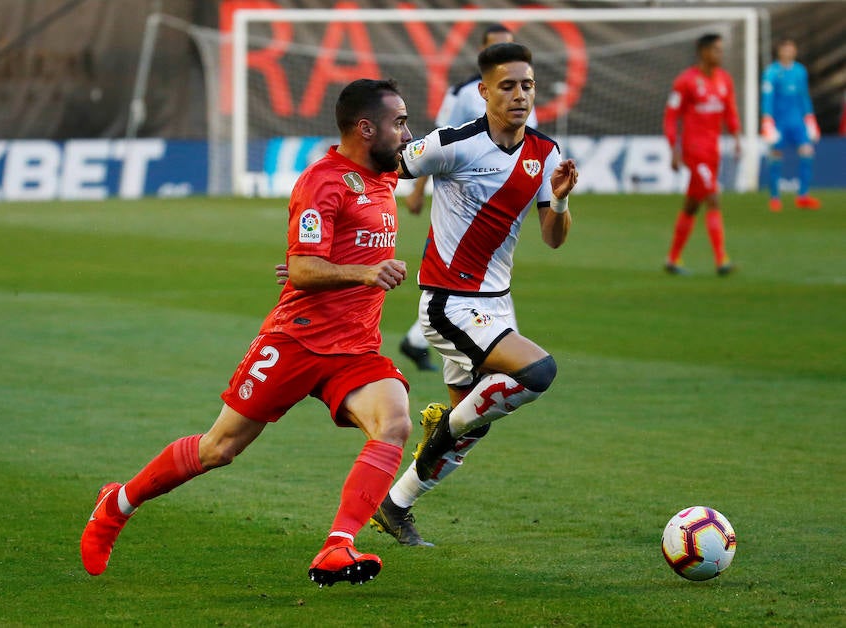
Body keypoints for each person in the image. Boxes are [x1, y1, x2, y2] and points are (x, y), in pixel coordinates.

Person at [80, 79, 415, 587]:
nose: (408, 133)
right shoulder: (323, 181)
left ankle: (338, 546)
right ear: (366, 128)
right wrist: (362, 273)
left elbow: (323, 256)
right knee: (219, 449)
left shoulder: (382, 178)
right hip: (295, 342)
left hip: (355, 349)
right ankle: (117, 503)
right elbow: (304, 269)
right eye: (399, 122)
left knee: (394, 424)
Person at [369, 42, 578, 546]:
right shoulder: (453, 143)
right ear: (484, 92)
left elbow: (552, 237)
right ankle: (442, 427)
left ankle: (395, 506)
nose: (520, 95)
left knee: (473, 427)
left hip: (496, 302)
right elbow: (382, 170)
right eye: (508, 86)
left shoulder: (545, 153)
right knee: (537, 371)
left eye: (527, 85)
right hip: (448, 304)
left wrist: (563, 202)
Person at [399, 24, 538, 372]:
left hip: (499, 197)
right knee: (460, 280)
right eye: (497, 48)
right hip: (462, 191)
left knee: (480, 277)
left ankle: (418, 344)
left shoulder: (522, 93)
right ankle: (420, 343)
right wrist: (419, 190)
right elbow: (437, 143)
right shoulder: (462, 94)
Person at [663, 33, 740, 276]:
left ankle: (672, 259)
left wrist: (737, 136)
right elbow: (671, 116)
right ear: (703, 52)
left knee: (692, 205)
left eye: (721, 50)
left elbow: (730, 111)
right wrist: (674, 147)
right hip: (694, 150)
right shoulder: (685, 81)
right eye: (716, 50)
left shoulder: (724, 80)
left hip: (713, 151)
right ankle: (722, 260)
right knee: (713, 197)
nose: (720, 54)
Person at [761, 38, 822, 211]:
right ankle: (774, 197)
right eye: (785, 48)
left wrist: (810, 119)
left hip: (797, 121)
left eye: (791, 48)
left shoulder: (800, 71)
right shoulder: (771, 72)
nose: (788, 52)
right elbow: (768, 98)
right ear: (779, 51)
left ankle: (802, 195)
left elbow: (804, 96)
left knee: (807, 152)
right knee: (776, 155)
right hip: (779, 121)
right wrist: (767, 120)